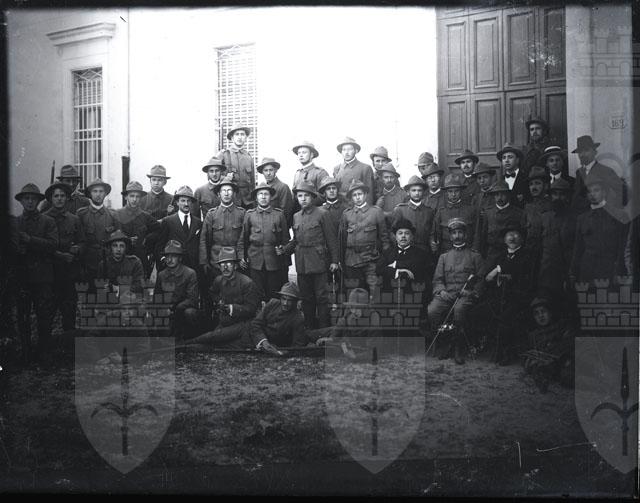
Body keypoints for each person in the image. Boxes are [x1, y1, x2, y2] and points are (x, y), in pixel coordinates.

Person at [10, 184, 58, 362]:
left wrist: (30, 240)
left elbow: (53, 245)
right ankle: (26, 351)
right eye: (26, 198)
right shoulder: (15, 222)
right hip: (22, 277)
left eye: (33, 199)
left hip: (42, 276)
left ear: (38, 201)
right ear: (21, 201)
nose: (30, 202)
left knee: (43, 315)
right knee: (22, 315)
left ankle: (44, 351)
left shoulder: (48, 221)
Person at [427, 218, 483, 365]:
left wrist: (471, 292)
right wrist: (441, 291)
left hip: (465, 295)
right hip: (447, 294)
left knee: (459, 310)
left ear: (466, 235)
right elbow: (437, 279)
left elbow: (481, 280)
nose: (457, 236)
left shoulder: (475, 256)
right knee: (432, 310)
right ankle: (443, 343)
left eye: (460, 232)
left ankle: (458, 347)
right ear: (450, 236)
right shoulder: (444, 257)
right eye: (454, 233)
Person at [284, 181, 339, 329]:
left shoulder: (322, 213)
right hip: (302, 263)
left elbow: (331, 239)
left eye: (306, 196)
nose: (303, 199)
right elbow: (296, 240)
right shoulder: (296, 216)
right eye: (300, 196)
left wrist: (334, 261)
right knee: (306, 298)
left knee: (322, 298)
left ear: (313, 197)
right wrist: (285, 249)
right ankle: (309, 329)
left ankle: (323, 329)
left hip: (319, 261)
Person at [187, 247, 262, 348]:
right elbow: (212, 292)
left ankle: (184, 344)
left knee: (212, 339)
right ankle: (184, 345)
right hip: (225, 322)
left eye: (229, 263)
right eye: (222, 264)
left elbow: (251, 309)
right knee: (210, 340)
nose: (225, 267)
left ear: (235, 266)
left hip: (242, 323)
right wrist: (219, 301)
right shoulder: (219, 280)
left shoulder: (247, 283)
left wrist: (232, 308)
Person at [482, 225, 536, 365]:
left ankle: (507, 352)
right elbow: (488, 278)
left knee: (506, 318)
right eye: (509, 235)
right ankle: (490, 348)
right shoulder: (500, 256)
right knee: (483, 311)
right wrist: (495, 272)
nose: (512, 238)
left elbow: (524, 280)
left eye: (516, 234)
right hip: (499, 296)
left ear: (522, 239)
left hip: (518, 297)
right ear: (504, 239)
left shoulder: (527, 256)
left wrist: (499, 270)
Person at [569, 173, 629, 285]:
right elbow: (578, 249)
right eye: (589, 191)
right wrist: (573, 272)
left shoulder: (618, 215)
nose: (592, 194)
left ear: (604, 192)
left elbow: (623, 247)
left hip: (610, 272)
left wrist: (619, 271)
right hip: (587, 272)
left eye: (596, 190)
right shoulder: (582, 218)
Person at [43, 182, 85, 332]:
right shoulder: (43, 218)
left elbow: (82, 241)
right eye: (56, 196)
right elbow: (41, 247)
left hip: (69, 274)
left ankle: (68, 344)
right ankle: (46, 344)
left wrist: (77, 249)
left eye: (62, 196)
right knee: (47, 314)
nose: (59, 199)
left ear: (67, 198)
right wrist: (60, 256)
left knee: (69, 314)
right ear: (50, 199)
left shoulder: (74, 219)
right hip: (49, 274)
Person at [242, 182, 290, 301]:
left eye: (266, 194)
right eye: (260, 194)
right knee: (256, 293)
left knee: (273, 293)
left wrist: (283, 251)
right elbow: (243, 239)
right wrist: (242, 257)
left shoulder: (279, 215)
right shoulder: (249, 215)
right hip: (255, 260)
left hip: (273, 261)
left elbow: (285, 239)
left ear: (271, 197)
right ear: (256, 197)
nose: (263, 197)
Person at [340, 180, 390, 290]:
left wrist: (383, 260)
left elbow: (384, 238)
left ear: (365, 195)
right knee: (356, 294)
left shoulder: (376, 212)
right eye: (354, 195)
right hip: (352, 261)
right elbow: (343, 240)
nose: (357, 197)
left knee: (374, 292)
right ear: (351, 198)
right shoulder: (347, 214)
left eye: (360, 194)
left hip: (371, 260)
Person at [199, 174, 246, 284]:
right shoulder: (212, 214)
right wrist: (204, 261)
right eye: (223, 191)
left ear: (234, 194)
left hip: (235, 261)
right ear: (219, 194)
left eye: (229, 190)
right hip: (216, 261)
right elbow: (204, 239)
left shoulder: (242, 213)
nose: (226, 193)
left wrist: (241, 258)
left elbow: (244, 239)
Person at [522, 297, 574, 393]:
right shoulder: (533, 335)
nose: (541, 316)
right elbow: (528, 353)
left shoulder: (562, 327)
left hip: (563, 363)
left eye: (543, 311)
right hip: (546, 367)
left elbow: (568, 344)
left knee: (568, 377)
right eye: (536, 313)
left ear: (550, 313)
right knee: (537, 370)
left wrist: (553, 356)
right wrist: (529, 362)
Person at [538, 178, 577, 302]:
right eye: (555, 194)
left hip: (567, 274)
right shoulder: (544, 218)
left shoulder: (576, 219)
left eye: (562, 194)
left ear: (568, 197)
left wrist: (571, 274)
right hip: (546, 274)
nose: (558, 198)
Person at [76, 178, 120, 286]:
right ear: (90, 194)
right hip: (88, 261)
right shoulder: (82, 214)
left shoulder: (113, 214)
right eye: (95, 191)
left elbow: (118, 239)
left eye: (101, 191)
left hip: (108, 261)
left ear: (105, 194)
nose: (98, 194)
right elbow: (78, 239)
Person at [154, 240, 200, 341]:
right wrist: (163, 309)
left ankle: (191, 338)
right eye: (167, 256)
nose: (169, 259)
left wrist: (175, 308)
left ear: (180, 258)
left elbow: (192, 299)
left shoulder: (190, 273)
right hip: (168, 312)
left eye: (173, 256)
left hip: (183, 310)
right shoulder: (161, 275)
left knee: (190, 313)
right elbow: (157, 298)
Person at [115, 181, 161, 279]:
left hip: (141, 260)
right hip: (121, 260)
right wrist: (126, 240)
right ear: (126, 197)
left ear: (141, 198)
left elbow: (158, 230)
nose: (134, 199)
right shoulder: (117, 214)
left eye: (137, 196)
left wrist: (145, 239)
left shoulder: (146, 216)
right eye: (132, 196)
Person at [571, 135, 628, 212]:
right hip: (582, 216)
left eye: (586, 150)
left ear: (595, 152)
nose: (582, 154)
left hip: (601, 216)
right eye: (580, 152)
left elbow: (625, 193)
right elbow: (577, 197)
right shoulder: (579, 172)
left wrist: (611, 209)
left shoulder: (606, 171)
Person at [250, 282, 307, 355]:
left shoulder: (298, 318)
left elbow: (298, 345)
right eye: (284, 299)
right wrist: (263, 341)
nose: (285, 303)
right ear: (280, 298)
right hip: (260, 340)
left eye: (289, 300)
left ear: (295, 302)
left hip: (279, 348)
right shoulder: (272, 304)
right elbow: (256, 324)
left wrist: (281, 353)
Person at [157, 185, 202, 272]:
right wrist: (164, 260)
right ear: (177, 202)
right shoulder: (168, 221)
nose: (186, 204)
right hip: (174, 266)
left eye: (189, 201)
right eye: (183, 201)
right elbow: (159, 246)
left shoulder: (198, 223)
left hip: (193, 266)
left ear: (192, 203)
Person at [433, 173, 479, 256]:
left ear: (461, 191)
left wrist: (474, 250)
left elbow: (477, 232)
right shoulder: (441, 212)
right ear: (446, 193)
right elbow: (436, 233)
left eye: (456, 191)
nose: (453, 194)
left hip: (467, 252)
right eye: (450, 191)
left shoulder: (471, 210)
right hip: (446, 252)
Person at [140, 165, 175, 276]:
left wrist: (170, 214)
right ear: (150, 181)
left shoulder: (171, 199)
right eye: (154, 180)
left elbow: (173, 222)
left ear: (165, 182)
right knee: (145, 272)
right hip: (147, 242)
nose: (156, 183)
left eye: (159, 180)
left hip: (164, 243)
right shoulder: (142, 199)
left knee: (163, 273)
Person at [392, 175, 437, 262]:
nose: (417, 193)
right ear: (408, 192)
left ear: (423, 192)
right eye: (414, 190)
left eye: (419, 190)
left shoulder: (429, 211)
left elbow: (432, 232)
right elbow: (393, 232)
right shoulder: (400, 210)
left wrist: (433, 245)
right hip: (405, 251)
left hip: (424, 251)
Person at [477, 180, 524, 262]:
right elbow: (483, 236)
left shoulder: (518, 213)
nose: (500, 197)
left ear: (508, 195)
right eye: (497, 195)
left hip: (511, 255)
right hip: (492, 254)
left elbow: (522, 236)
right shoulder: (488, 213)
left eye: (503, 194)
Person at [376, 217, 428, 291]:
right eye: (400, 233)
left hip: (412, 292)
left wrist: (395, 264)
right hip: (391, 292)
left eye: (407, 233)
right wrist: (397, 272)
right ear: (395, 236)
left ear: (412, 236)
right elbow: (379, 269)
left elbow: (417, 266)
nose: (403, 236)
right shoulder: (387, 253)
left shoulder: (420, 253)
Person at [218, 124, 255, 209]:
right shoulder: (224, 154)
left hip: (247, 201)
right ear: (232, 137)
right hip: (230, 200)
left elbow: (252, 182)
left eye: (242, 134)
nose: (240, 137)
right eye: (237, 134)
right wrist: (225, 178)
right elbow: (212, 175)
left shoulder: (248, 156)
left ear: (246, 137)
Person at [521, 166, 552, 266]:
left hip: (547, 256)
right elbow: (523, 231)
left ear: (546, 186)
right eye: (531, 184)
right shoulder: (527, 207)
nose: (533, 187)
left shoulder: (551, 206)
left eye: (538, 183)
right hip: (530, 255)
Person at [97, 230, 145, 295]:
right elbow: (100, 288)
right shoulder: (103, 264)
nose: (118, 249)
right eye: (115, 246)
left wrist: (117, 289)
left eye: (122, 246)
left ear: (126, 248)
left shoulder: (134, 262)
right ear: (110, 247)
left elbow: (139, 286)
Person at [333, 136, 376, 206]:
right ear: (341, 152)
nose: (346, 152)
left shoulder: (365, 168)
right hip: (340, 208)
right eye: (344, 150)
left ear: (356, 151)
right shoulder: (337, 168)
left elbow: (369, 194)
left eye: (349, 149)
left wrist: (366, 210)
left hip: (357, 208)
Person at [257, 157, 294, 228]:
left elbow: (286, 212)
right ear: (262, 172)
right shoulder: (261, 188)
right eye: (265, 170)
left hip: (277, 227)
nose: (268, 173)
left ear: (275, 170)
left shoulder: (283, 187)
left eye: (271, 170)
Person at [292, 141, 329, 211]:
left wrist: (308, 201)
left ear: (311, 155)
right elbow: (294, 195)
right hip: (299, 213)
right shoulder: (297, 173)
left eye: (304, 152)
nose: (301, 155)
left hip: (315, 212)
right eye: (299, 153)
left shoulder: (320, 172)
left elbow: (325, 195)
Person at [375, 162, 408, 229]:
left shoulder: (403, 194)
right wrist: (377, 206)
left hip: (399, 231)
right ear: (381, 178)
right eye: (386, 177)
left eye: (391, 177)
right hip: (381, 231)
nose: (389, 180)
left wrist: (385, 214)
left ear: (395, 178)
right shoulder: (377, 195)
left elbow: (406, 214)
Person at [497, 142, 529, 208]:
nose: (506, 160)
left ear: (517, 160)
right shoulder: (500, 181)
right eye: (504, 158)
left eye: (510, 157)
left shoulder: (526, 178)